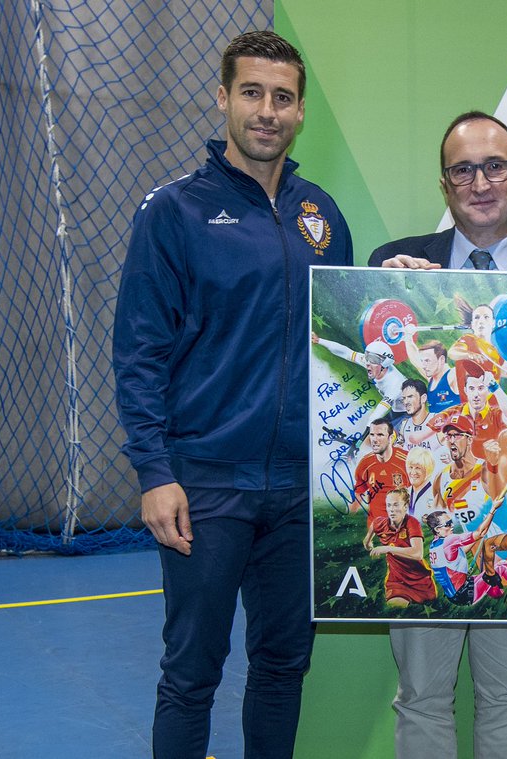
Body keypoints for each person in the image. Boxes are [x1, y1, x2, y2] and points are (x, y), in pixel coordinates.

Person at [112, 31, 352, 759]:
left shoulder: (323, 217)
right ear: (223, 99)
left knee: (282, 667)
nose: (267, 111)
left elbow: (342, 339)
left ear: (301, 111)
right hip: (207, 483)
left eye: (282, 97)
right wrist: (156, 474)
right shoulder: (176, 211)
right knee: (191, 675)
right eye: (252, 93)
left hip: (299, 492)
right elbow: (139, 352)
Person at [371, 111, 507, 759]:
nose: (480, 181)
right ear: (443, 183)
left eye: (495, 166)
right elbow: (377, 399)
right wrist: (398, 298)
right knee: (424, 695)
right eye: (464, 168)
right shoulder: (395, 268)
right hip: (430, 520)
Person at [368, 110, 507, 274]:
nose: (480, 186)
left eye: (495, 166)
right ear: (446, 188)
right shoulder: (391, 267)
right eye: (463, 171)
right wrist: (384, 293)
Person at [364, 488, 436, 607]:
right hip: (397, 581)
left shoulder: (412, 523)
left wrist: (387, 548)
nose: (392, 509)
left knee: (420, 611)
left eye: (396, 505)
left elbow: (417, 553)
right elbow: (367, 539)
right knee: (395, 606)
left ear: (405, 506)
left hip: (420, 581)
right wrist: (368, 545)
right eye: (389, 505)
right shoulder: (379, 523)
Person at [312, 333, 407, 416]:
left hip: (408, 413)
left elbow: (381, 410)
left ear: (383, 364)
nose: (367, 362)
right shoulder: (372, 363)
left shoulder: (396, 382)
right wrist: (319, 340)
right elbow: (346, 352)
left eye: (372, 359)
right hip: (396, 409)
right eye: (367, 357)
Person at [350, 418, 409, 523]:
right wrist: (347, 520)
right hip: (375, 527)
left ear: (390, 438)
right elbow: (358, 495)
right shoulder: (365, 464)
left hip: (401, 527)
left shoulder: (408, 461)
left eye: (380, 435)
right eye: (372, 435)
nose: (374, 440)